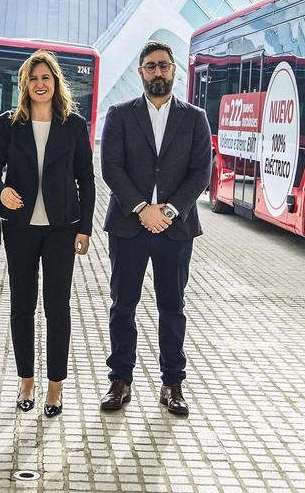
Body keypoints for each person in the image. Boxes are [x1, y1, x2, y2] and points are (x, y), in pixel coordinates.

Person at [98, 41, 212, 417]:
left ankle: (172, 383)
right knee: (123, 305)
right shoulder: (119, 114)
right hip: (129, 226)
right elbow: (111, 168)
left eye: (163, 65)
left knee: (172, 307)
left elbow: (201, 172)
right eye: (150, 67)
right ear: (140, 72)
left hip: (175, 228)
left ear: (174, 69)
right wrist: (142, 209)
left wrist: (169, 210)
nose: (158, 72)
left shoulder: (195, 118)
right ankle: (120, 381)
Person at [0, 50, 95, 418]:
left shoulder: (74, 125)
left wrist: (85, 228)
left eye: (46, 78)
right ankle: (26, 381)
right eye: (33, 78)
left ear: (56, 82)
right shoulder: (7, 124)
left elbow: (87, 180)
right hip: (19, 229)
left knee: (57, 308)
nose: (40, 84)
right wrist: (0, 192)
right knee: (22, 307)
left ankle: (55, 389)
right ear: (24, 84)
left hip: (62, 229)